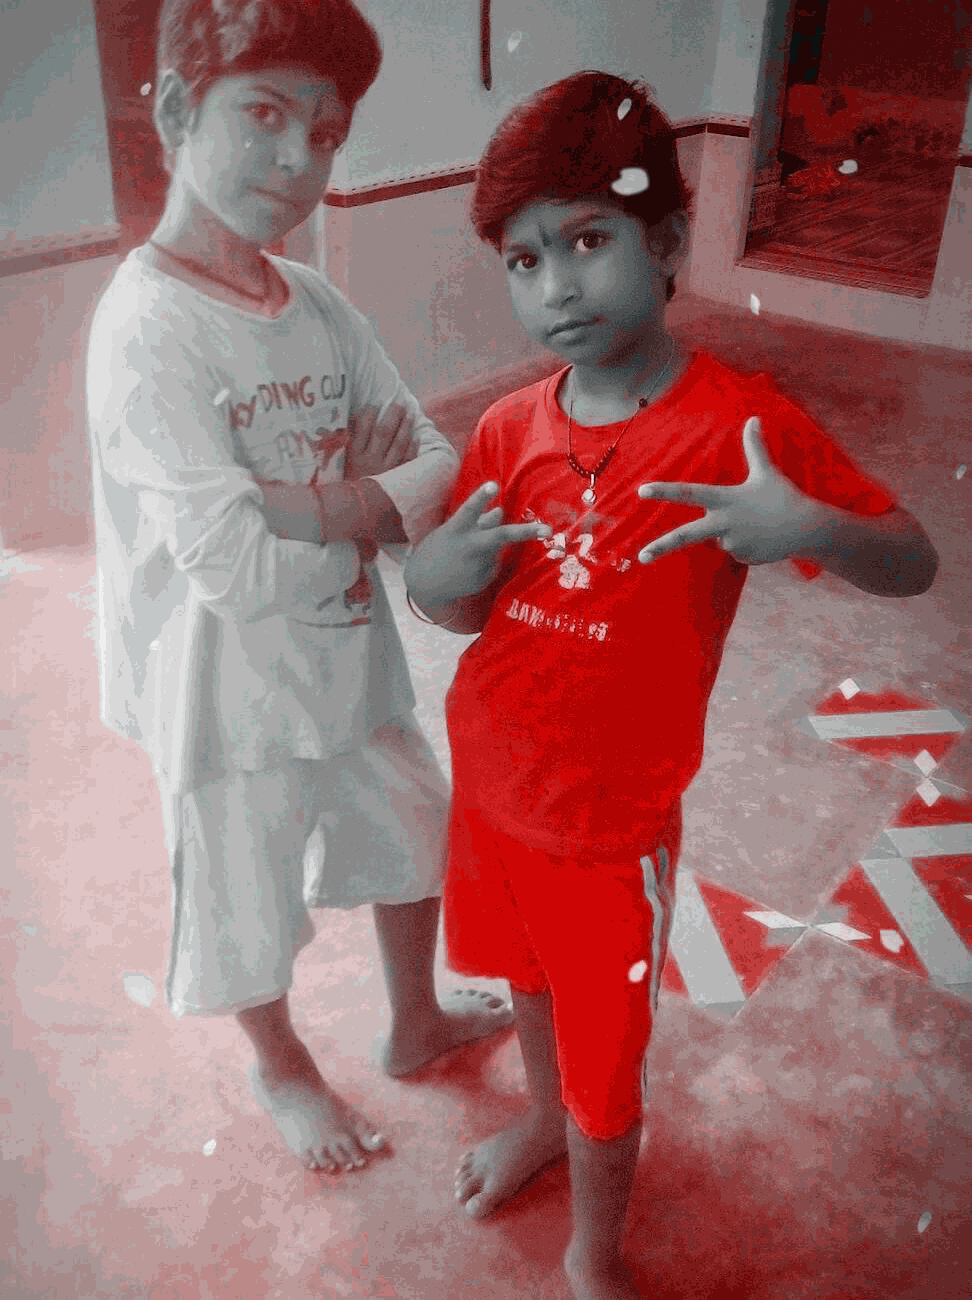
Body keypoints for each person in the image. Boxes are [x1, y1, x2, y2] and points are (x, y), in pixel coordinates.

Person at [404, 71, 938, 1300]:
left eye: (588, 241)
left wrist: (813, 524)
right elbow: (458, 604)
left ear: (666, 242)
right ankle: (540, 1119)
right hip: (491, 791)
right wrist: (433, 577)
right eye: (525, 260)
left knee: (609, 1066)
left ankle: (594, 1255)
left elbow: (912, 557)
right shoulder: (508, 429)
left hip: (607, 830)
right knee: (526, 980)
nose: (557, 286)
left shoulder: (740, 427)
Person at [85, 0, 514, 1180]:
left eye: (324, 135)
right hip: (216, 691)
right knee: (243, 895)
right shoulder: (146, 329)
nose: (296, 159)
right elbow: (228, 569)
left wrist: (315, 505)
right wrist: (366, 510)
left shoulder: (318, 307)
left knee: (417, 829)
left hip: (345, 647)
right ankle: (279, 1065)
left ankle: (413, 1017)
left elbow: (435, 458)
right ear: (180, 110)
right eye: (264, 115)